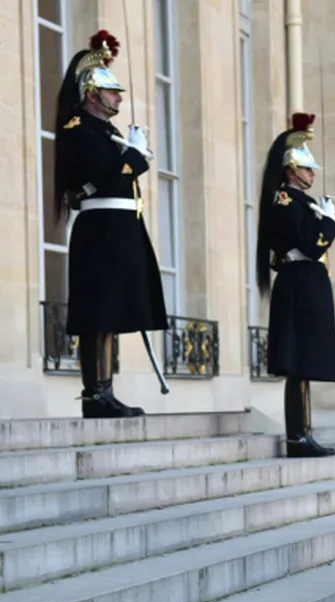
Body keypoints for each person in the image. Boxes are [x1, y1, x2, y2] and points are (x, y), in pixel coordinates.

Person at [53, 29, 167, 419]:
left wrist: (129, 152)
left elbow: (119, 173)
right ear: (91, 93)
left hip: (119, 226)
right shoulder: (77, 129)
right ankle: (94, 393)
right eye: (112, 90)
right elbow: (105, 175)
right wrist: (134, 156)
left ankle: (106, 389)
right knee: (97, 311)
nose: (119, 96)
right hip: (100, 225)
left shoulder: (107, 132)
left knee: (112, 310)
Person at [255, 112, 335, 458]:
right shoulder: (286, 201)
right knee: (298, 364)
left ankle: (304, 431)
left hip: (308, 282)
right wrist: (330, 224)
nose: (313, 173)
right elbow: (312, 243)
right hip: (298, 283)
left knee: (305, 363)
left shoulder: (302, 203)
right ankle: (297, 435)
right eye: (307, 169)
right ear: (291, 169)